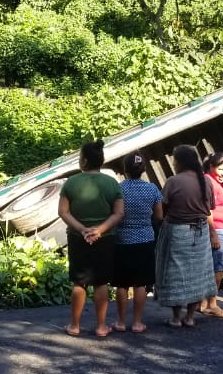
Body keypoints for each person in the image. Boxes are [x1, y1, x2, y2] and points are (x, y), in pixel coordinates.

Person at [57, 140, 124, 338]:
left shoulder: (71, 182)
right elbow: (119, 213)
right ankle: (101, 326)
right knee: (101, 283)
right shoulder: (111, 183)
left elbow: (63, 212)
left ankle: (75, 326)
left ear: (84, 161)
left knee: (80, 283)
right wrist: (99, 230)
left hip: (78, 238)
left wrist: (83, 229)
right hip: (105, 238)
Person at [154, 144, 217, 328]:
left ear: (180, 162)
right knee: (197, 274)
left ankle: (175, 318)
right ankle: (190, 317)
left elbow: (163, 209)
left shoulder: (173, 181)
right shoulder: (206, 181)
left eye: (175, 160)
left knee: (176, 273)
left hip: (177, 230)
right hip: (201, 232)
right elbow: (209, 209)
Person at [110, 153, 163, 334]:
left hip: (122, 240)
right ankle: (138, 322)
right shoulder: (152, 189)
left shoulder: (118, 189)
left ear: (125, 170)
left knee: (122, 284)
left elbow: (113, 214)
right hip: (145, 240)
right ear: (143, 169)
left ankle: (121, 322)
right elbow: (159, 216)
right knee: (141, 283)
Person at [200, 152, 223, 318]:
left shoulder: (212, 181)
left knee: (212, 266)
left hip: (220, 228)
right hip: (215, 229)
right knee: (218, 266)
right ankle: (211, 304)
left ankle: (204, 303)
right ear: (212, 167)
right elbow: (206, 209)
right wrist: (213, 234)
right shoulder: (208, 181)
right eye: (221, 169)